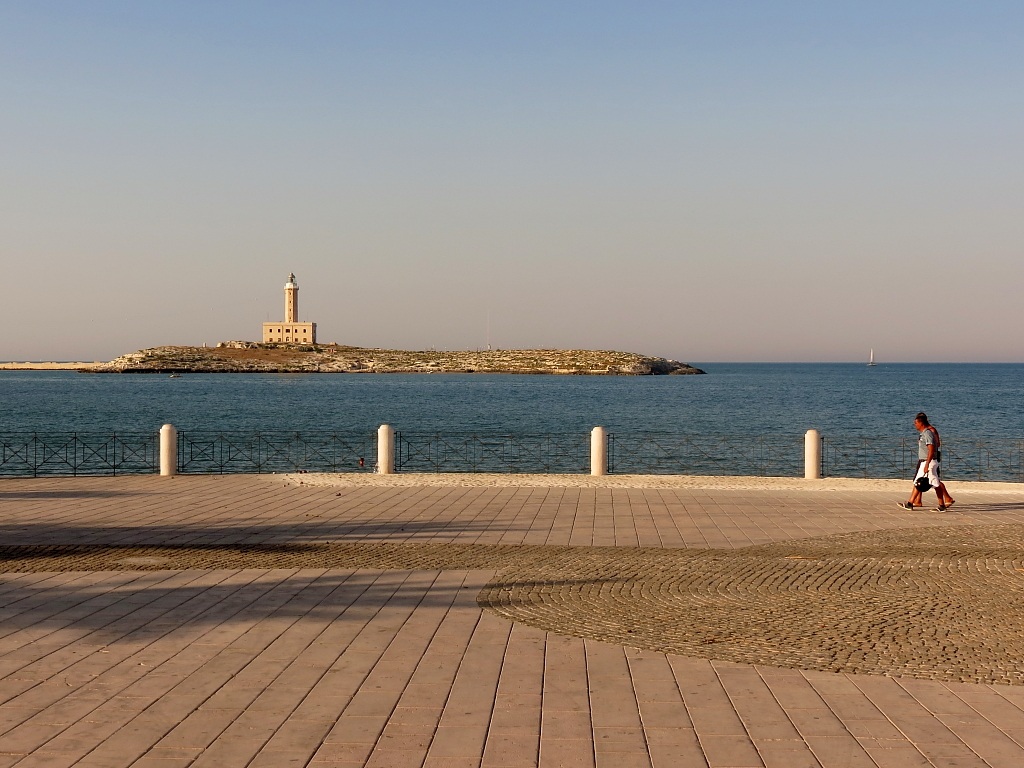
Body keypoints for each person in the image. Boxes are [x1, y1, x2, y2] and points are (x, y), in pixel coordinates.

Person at [897, 412, 955, 511]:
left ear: (921, 423)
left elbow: (932, 449)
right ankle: (911, 503)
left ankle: (941, 505)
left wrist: (927, 464)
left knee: (934, 484)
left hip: (928, 462)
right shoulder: (924, 433)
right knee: (923, 482)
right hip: (926, 461)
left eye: (916, 423)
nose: (915, 425)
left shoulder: (928, 433)